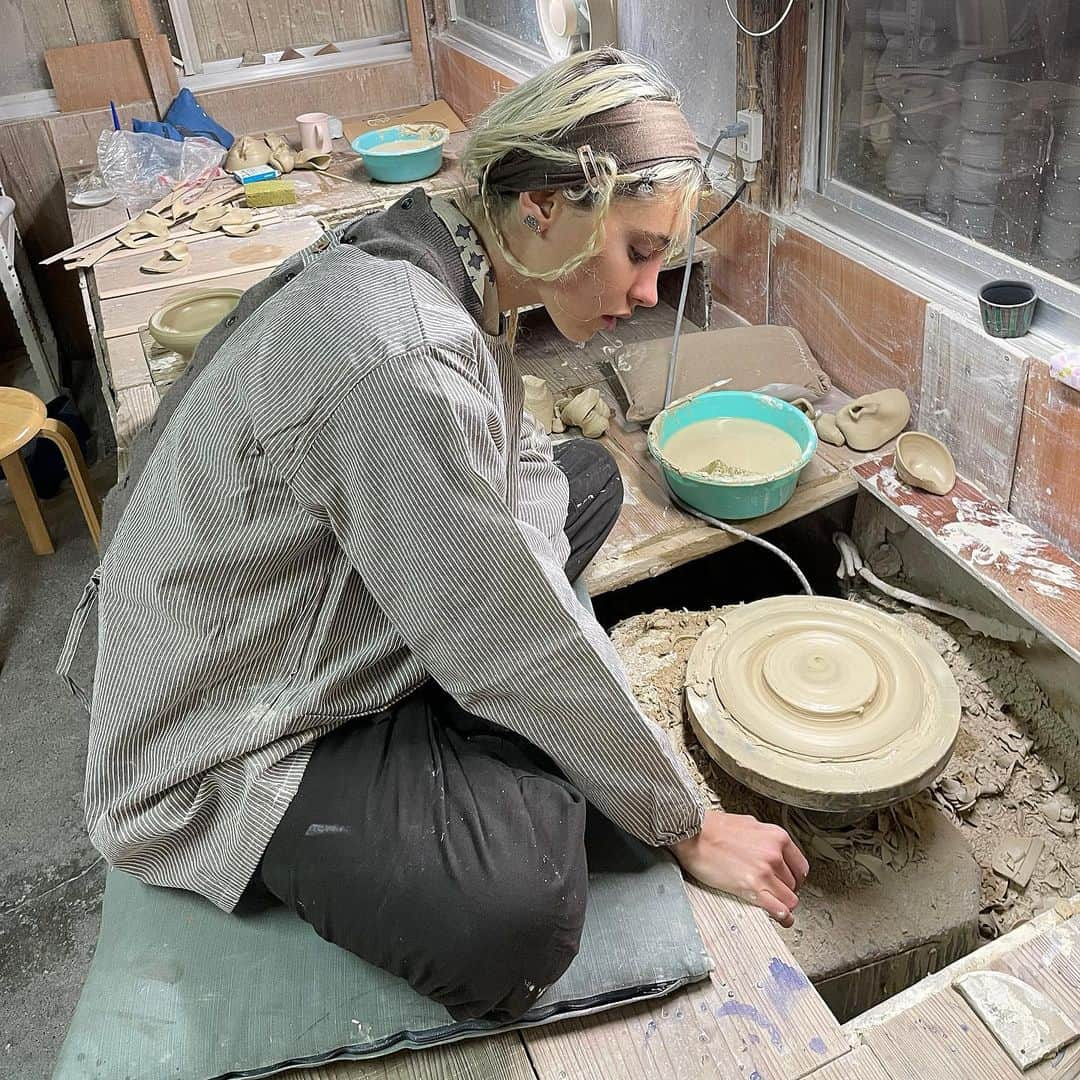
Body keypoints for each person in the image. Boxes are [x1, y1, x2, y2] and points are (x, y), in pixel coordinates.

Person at [59, 48, 808, 1023]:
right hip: (226, 719)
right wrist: (683, 821)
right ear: (543, 206)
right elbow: (508, 632)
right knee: (522, 915)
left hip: (295, 594)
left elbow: (511, 487)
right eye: (638, 248)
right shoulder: (399, 354)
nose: (649, 292)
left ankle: (496, 714)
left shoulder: (432, 243)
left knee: (581, 480)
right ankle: (487, 750)